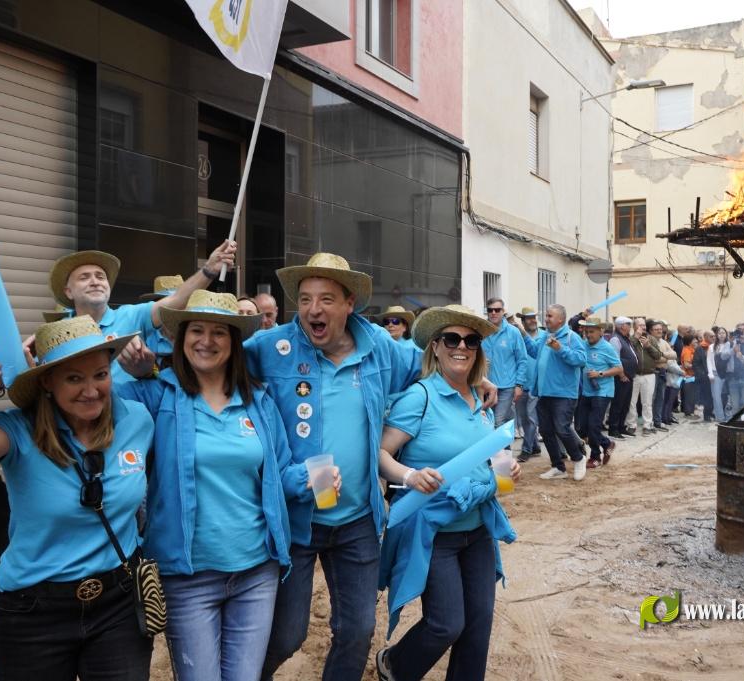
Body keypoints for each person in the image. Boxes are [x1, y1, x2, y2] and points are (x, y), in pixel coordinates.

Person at [117, 291, 314, 681]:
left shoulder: (259, 400)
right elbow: (94, 400)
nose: (207, 341)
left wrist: (311, 479)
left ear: (234, 341)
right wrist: (134, 371)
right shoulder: (157, 396)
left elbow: (282, 471)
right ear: (181, 337)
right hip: (186, 577)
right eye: (197, 330)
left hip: (257, 571)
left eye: (219, 332)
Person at [243, 253, 421, 681]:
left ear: (349, 303)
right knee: (287, 635)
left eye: (325, 298)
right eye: (304, 299)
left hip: (358, 520)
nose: (313, 310)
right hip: (296, 518)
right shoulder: (273, 347)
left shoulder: (380, 347)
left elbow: (425, 367)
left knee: (358, 631)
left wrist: (477, 379)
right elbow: (214, 360)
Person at [0, 317, 153, 680]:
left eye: (100, 374)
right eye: (74, 378)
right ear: (47, 382)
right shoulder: (19, 430)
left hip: (117, 602)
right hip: (34, 611)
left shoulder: (136, 420)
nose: (91, 390)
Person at [375, 305, 518, 681]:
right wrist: (409, 475)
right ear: (435, 347)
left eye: (470, 340)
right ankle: (395, 665)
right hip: (434, 533)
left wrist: (507, 469)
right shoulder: (419, 398)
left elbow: (489, 459)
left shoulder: (483, 402)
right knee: (445, 624)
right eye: (452, 339)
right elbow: (381, 453)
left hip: (478, 531)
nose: (462, 347)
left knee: (478, 628)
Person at [49, 244, 236, 383]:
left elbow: (176, 300)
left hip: (127, 425)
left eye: (101, 276)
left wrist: (209, 270)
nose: (95, 282)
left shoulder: (132, 316)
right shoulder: (56, 334)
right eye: (84, 277)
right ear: (68, 292)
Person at [525, 304, 587, 481]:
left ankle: (579, 458)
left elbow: (581, 359)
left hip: (564, 394)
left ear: (560, 319)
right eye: (546, 316)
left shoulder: (571, 337)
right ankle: (558, 467)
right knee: (546, 430)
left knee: (562, 428)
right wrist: (522, 334)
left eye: (550, 316)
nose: (546, 319)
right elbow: (534, 351)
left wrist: (560, 348)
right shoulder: (545, 335)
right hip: (544, 393)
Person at [576, 316, 622, 467]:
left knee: (593, 426)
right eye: (586, 332)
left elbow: (619, 368)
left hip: (602, 392)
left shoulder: (607, 347)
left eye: (591, 332)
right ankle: (607, 443)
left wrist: (600, 374)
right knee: (581, 427)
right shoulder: (583, 345)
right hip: (587, 392)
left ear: (600, 332)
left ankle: (595, 457)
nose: (588, 335)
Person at [481, 298, 529, 435]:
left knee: (498, 421)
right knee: (490, 422)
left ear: (503, 312)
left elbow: (522, 360)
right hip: (485, 386)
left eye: (497, 310)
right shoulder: (481, 331)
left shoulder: (513, 332)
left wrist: (519, 385)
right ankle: (504, 454)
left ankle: (499, 455)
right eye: (490, 310)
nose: (493, 313)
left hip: (506, 387)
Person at [512, 307, 542, 462]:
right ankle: (535, 446)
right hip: (521, 383)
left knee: (531, 418)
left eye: (533, 317)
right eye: (528, 318)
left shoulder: (544, 335)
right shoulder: (517, 336)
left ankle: (526, 449)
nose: (532, 321)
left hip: (537, 385)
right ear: (523, 321)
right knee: (524, 419)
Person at [607, 317, 638, 438]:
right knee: (618, 404)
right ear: (621, 326)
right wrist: (621, 374)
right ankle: (613, 429)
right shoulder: (615, 339)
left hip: (629, 377)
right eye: (628, 324)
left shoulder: (625, 339)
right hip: (621, 377)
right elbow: (615, 359)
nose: (630, 327)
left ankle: (621, 426)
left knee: (625, 404)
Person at [629, 317, 660, 434]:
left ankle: (647, 425)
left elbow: (658, 355)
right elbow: (627, 350)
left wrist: (649, 346)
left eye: (644, 325)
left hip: (649, 374)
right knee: (631, 402)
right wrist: (636, 338)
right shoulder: (631, 339)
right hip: (634, 375)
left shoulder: (651, 339)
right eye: (640, 325)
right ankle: (631, 424)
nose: (643, 327)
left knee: (647, 402)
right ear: (634, 327)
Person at [646, 320, 675, 431]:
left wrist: (662, 355)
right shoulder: (648, 341)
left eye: (660, 329)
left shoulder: (663, 342)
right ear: (650, 331)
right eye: (656, 329)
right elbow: (655, 359)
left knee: (660, 398)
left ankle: (657, 421)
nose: (659, 331)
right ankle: (650, 422)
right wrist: (665, 357)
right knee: (651, 399)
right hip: (653, 372)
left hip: (662, 373)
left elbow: (674, 355)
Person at [709, 326, 733, 422]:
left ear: (726, 334)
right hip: (715, 373)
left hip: (728, 374)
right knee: (716, 396)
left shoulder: (730, 345)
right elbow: (709, 360)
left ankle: (729, 417)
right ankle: (720, 418)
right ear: (716, 335)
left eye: (723, 333)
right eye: (719, 333)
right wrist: (710, 373)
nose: (721, 335)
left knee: (729, 396)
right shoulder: (712, 347)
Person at [695, 331, 716, 422]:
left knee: (715, 396)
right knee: (707, 396)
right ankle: (707, 414)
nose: (714, 338)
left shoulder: (715, 347)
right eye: (711, 336)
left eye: (714, 336)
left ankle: (713, 412)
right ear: (705, 337)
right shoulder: (700, 348)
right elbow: (696, 363)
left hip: (715, 375)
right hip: (705, 376)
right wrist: (703, 374)